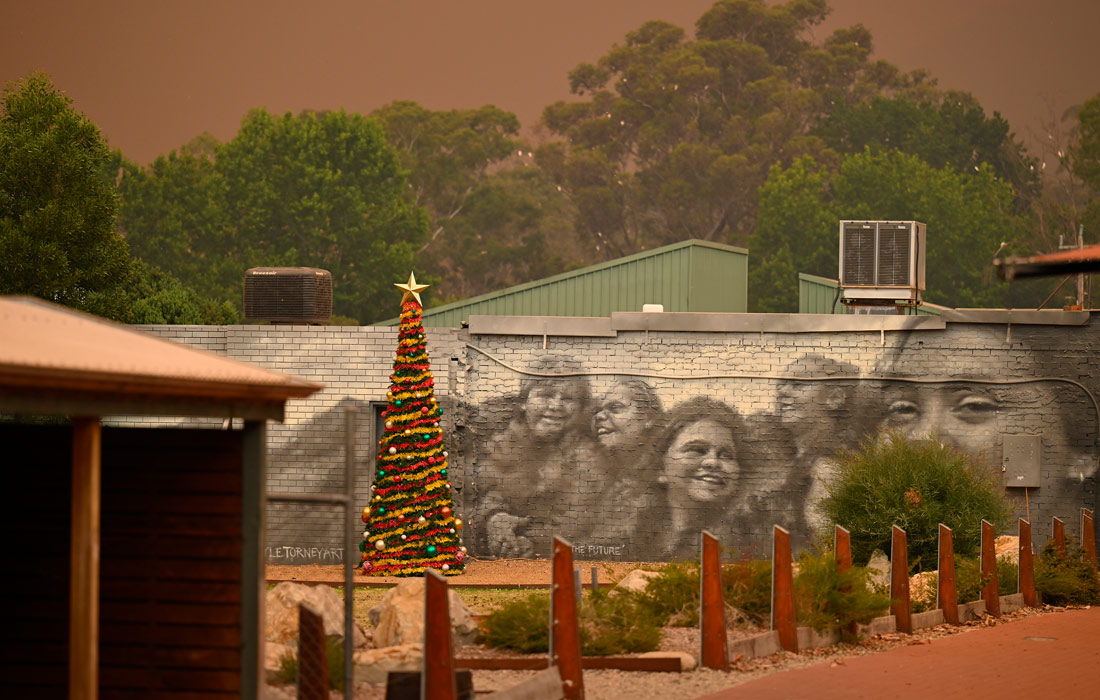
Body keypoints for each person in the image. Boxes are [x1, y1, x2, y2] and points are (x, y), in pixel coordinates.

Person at [474, 356, 596, 557]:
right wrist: (494, 518)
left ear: (581, 409)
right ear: (523, 402)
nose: (556, 405)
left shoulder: (592, 457)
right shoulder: (499, 447)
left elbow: (588, 518)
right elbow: (484, 493)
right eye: (546, 395)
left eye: (567, 398)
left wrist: (536, 542)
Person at [643, 397, 751, 558]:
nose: (713, 462)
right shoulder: (638, 539)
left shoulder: (748, 546)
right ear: (660, 467)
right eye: (697, 450)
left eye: (726, 455)